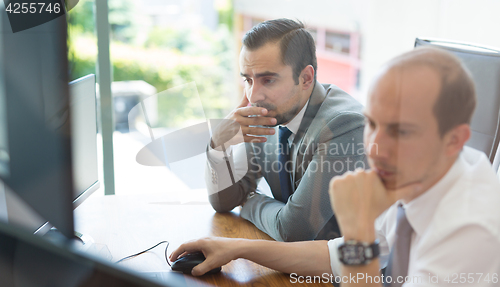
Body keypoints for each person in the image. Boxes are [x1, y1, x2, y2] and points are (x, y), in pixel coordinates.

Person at [172, 46, 500, 286]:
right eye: (373, 123)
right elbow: (335, 257)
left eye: (401, 131)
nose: (376, 147)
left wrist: (358, 230)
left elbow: (352, 251)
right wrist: (236, 248)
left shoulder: (470, 229)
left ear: (455, 140)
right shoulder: (422, 176)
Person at [206, 18, 366, 242]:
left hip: (346, 274)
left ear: (305, 78)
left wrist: (250, 202)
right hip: (293, 268)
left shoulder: (344, 125)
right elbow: (224, 202)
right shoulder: (267, 116)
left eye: (268, 80)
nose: (254, 96)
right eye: (248, 80)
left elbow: (293, 230)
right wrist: (217, 146)